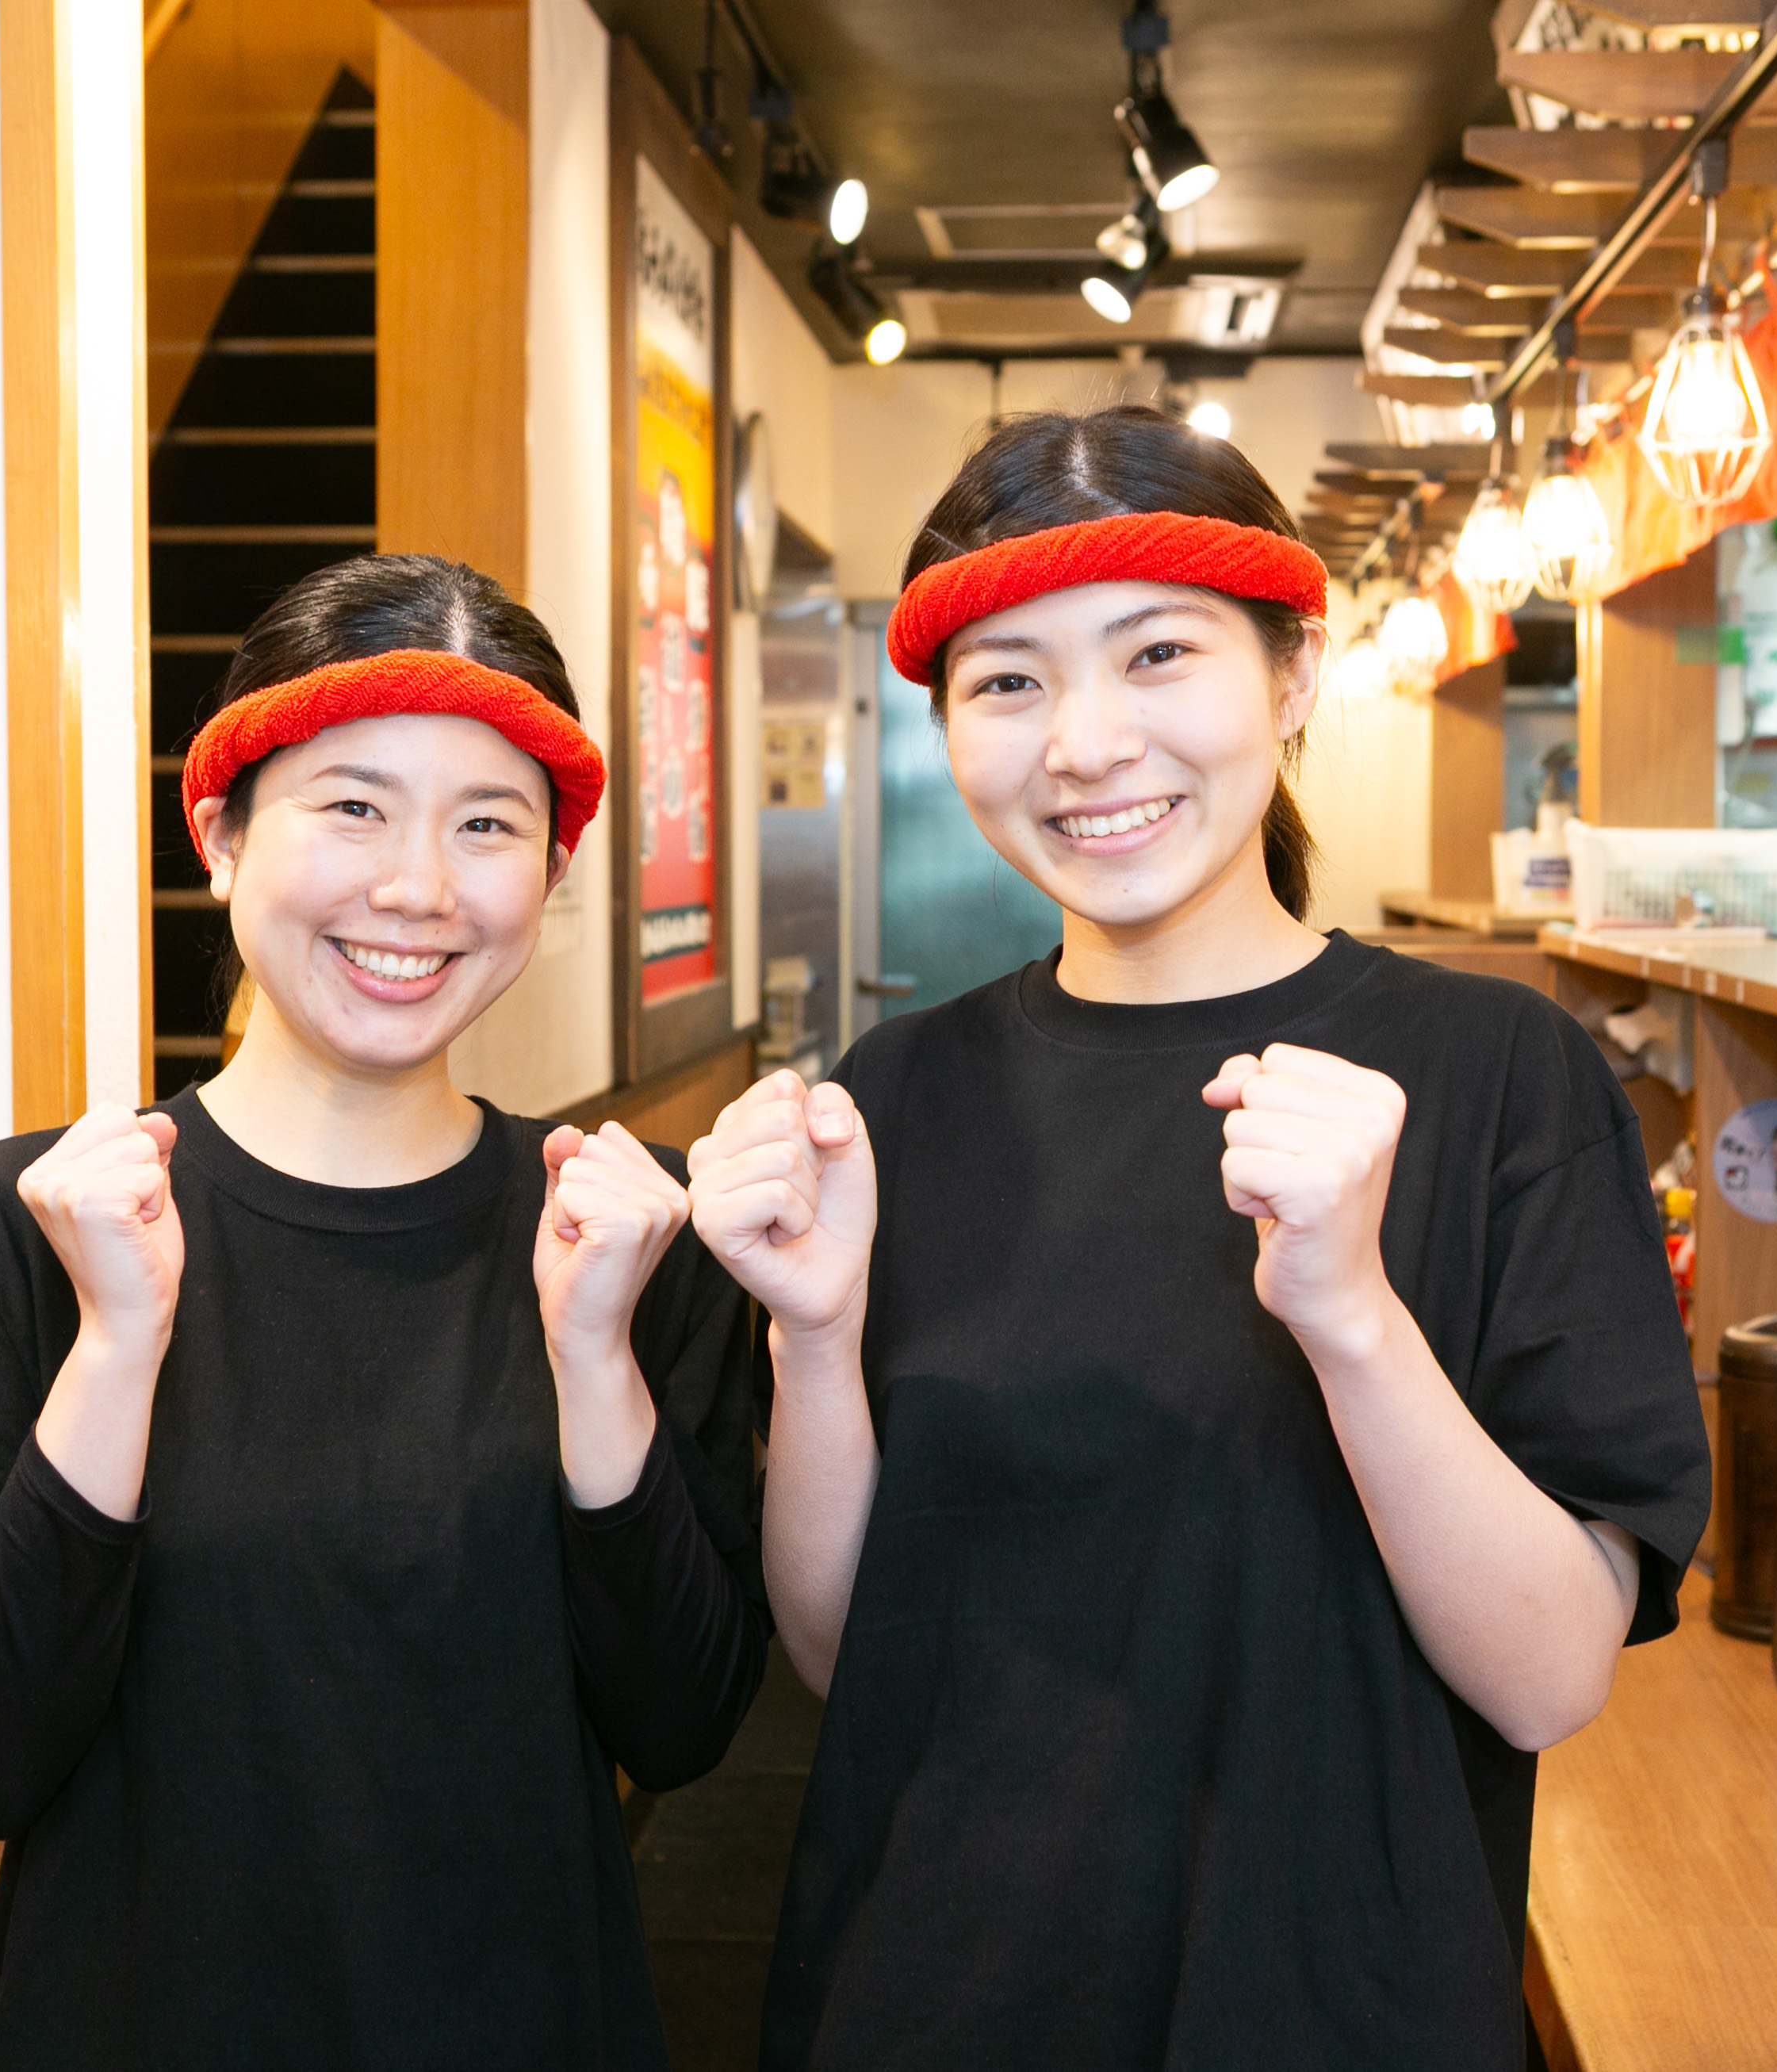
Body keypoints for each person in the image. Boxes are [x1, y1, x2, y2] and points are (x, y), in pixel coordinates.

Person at [687, 408, 1710, 2070]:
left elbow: (1549, 1677)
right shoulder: (895, 1095)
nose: (1085, 743)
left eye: (1157, 653)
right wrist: (811, 1333)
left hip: (1336, 2006)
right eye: (1008, 682)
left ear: (1293, 675)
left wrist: (1350, 1311)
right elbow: (840, 1649)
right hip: (936, 1988)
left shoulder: (1496, 1076)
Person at [0, 554, 767, 2070]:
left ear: (551, 876)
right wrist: (116, 1347)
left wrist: (592, 1355)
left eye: (487, 824)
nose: (417, 886)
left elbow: (682, 1729)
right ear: (221, 836)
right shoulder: (20, 1228)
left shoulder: (627, 1235)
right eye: (352, 806)